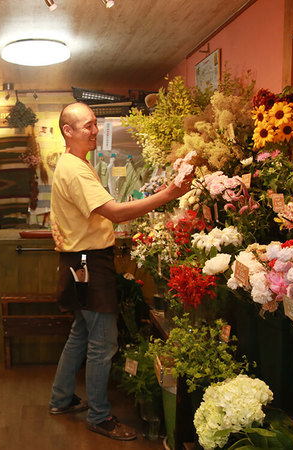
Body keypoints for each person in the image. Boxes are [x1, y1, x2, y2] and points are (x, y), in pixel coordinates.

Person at [48, 102, 192, 441]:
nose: (94, 130)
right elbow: (115, 213)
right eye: (87, 126)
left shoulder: (74, 164)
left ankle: (61, 398)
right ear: (67, 131)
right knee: (102, 343)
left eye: (95, 124)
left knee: (80, 334)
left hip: (77, 262)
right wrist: (169, 194)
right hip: (88, 262)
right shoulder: (76, 169)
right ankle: (99, 416)